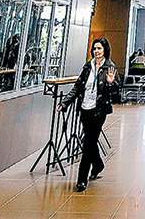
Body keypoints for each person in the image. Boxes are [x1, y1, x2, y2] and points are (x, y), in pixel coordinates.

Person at [60, 37, 119, 192]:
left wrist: (111, 83)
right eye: (94, 48)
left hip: (99, 110)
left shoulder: (110, 67)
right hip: (84, 108)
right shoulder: (87, 67)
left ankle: (81, 179)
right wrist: (65, 102)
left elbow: (116, 94)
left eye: (99, 48)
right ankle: (98, 164)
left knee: (88, 144)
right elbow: (78, 87)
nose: (96, 51)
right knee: (90, 141)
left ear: (105, 50)